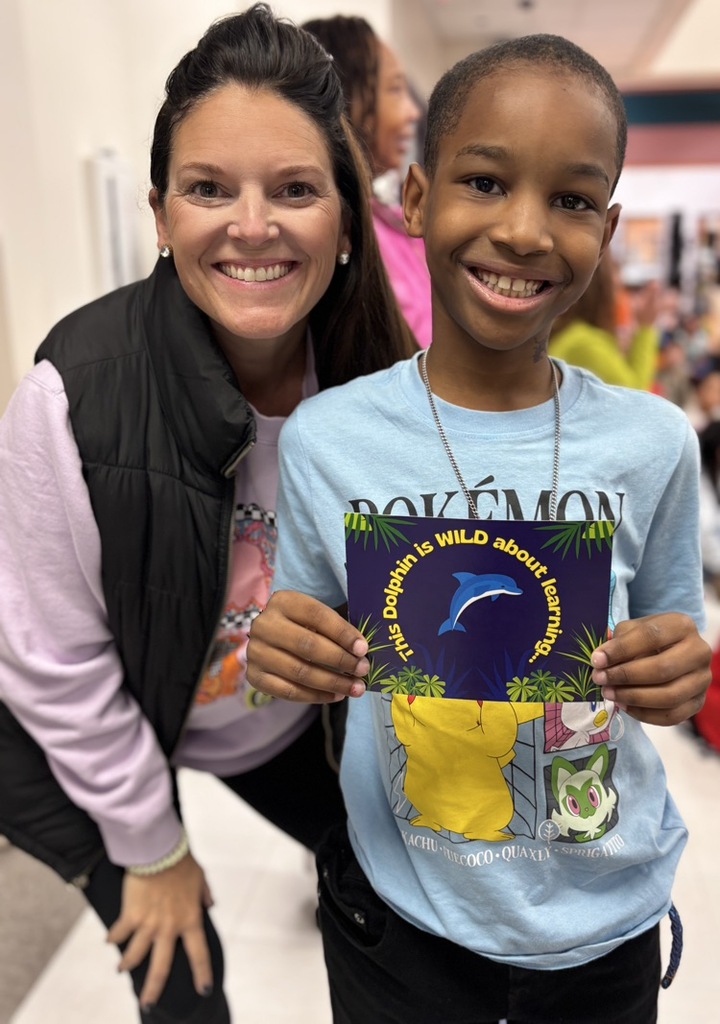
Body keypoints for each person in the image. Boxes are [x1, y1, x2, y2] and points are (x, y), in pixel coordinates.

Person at [246, 33, 712, 1024]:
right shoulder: (331, 439)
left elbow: (673, 643)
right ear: (415, 201)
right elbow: (296, 636)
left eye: (574, 200)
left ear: (610, 225)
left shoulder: (652, 442)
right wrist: (280, 647)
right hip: (402, 920)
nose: (527, 230)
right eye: (487, 182)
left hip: (602, 923)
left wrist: (679, 670)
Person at [0, 6, 416, 1023]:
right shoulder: (75, 397)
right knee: (185, 978)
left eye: (295, 189)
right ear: (158, 212)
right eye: (207, 188)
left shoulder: (378, 386)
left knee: (400, 903)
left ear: (348, 217)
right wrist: (154, 847)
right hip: (79, 725)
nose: (252, 223)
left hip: (256, 723)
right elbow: (55, 667)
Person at [302, 15, 433, 348]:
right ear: (343, 97)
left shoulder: (389, 218)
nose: (411, 113)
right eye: (394, 90)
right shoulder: (338, 230)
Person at [548, 251, 660, 389]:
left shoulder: (571, 333)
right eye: (617, 288)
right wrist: (645, 328)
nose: (622, 299)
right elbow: (634, 393)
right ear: (602, 290)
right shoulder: (586, 343)